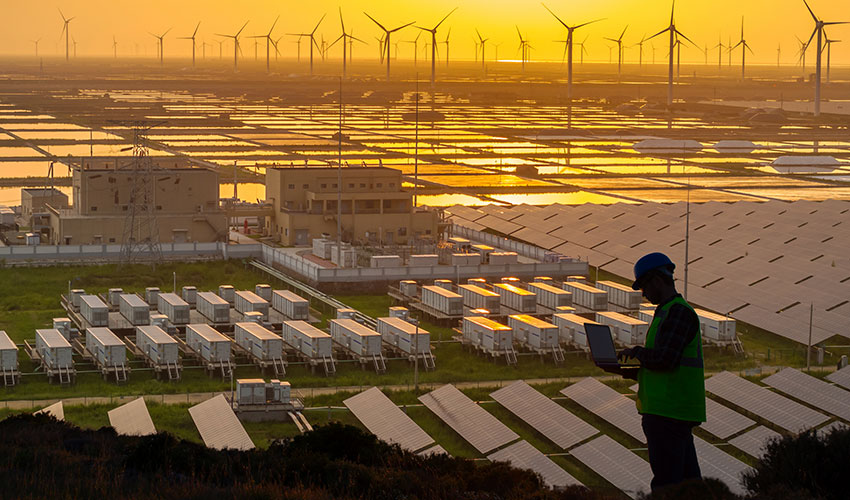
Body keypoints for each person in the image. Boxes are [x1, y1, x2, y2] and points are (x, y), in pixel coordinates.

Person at [617, 252, 706, 492]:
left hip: (668, 412)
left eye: (644, 286)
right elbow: (664, 363)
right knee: (689, 487)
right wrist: (634, 371)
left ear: (657, 280)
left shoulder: (678, 313)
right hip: (672, 412)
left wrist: (636, 353)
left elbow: (665, 359)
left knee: (668, 486)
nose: (644, 293)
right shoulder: (669, 311)